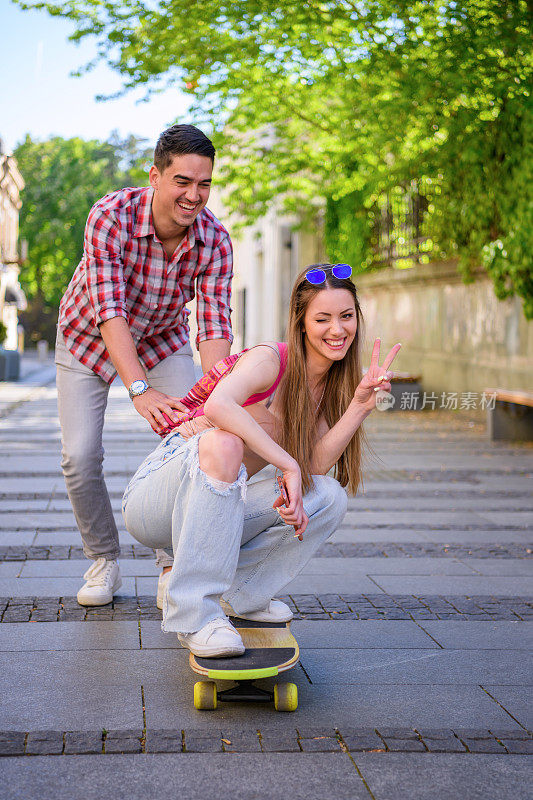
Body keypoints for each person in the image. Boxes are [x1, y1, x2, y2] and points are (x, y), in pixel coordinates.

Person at [121, 264, 401, 656]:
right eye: (323, 319)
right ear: (301, 322)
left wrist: (358, 406)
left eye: (346, 316)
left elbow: (316, 464)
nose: (337, 330)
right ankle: (195, 615)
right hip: (156, 501)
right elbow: (219, 404)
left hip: (212, 512)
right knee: (225, 446)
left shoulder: (330, 385)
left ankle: (241, 594)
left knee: (329, 495)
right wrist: (287, 464)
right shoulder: (272, 360)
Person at [55, 124, 234, 608]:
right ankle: (103, 559)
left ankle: (172, 562)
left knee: (192, 439)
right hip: (87, 337)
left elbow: (213, 325)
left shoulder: (215, 239)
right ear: (155, 176)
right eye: (182, 182)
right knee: (81, 455)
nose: (194, 195)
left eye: (204, 184)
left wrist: (215, 399)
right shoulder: (110, 216)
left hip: (162, 338)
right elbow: (109, 311)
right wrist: (138, 391)